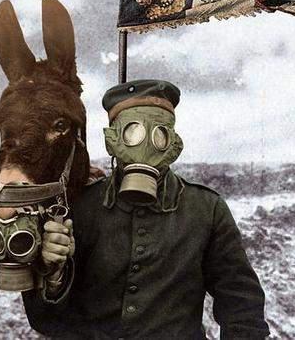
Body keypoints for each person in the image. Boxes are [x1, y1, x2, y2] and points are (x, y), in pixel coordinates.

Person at [23, 79, 270, 339]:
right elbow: (46, 321)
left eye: (159, 135)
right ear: (111, 141)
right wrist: (53, 275)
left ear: (174, 144)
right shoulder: (78, 208)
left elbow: (242, 309)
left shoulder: (206, 210)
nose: (145, 146)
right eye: (132, 134)